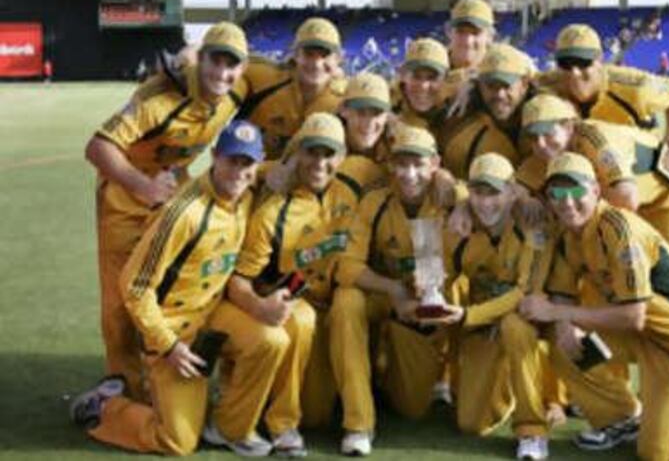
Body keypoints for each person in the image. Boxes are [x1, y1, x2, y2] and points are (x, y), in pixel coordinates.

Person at [519, 152, 669, 460]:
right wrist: (564, 326)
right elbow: (564, 292)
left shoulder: (619, 229)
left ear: (595, 190)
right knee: (561, 342)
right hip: (643, 335)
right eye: (557, 194)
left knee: (658, 452)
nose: (567, 202)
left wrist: (558, 313)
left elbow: (634, 316)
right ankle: (624, 418)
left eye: (576, 191)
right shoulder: (569, 235)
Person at [70, 121, 279, 457]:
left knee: (270, 340)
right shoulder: (183, 213)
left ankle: (229, 428)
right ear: (214, 157)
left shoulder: (247, 196)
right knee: (178, 442)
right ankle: (106, 407)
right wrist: (168, 346)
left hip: (213, 317)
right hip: (175, 334)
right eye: (232, 161)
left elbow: (285, 170)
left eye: (248, 163)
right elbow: (135, 287)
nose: (239, 172)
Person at [84, 22, 249, 399]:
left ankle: (165, 363)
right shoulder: (159, 97)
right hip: (124, 201)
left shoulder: (236, 90)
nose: (222, 73)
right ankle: (121, 382)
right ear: (202, 59)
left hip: (171, 196)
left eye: (232, 65)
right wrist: (144, 187)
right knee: (120, 296)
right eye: (214, 61)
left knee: (173, 283)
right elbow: (97, 148)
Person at [226, 112, 354, 457]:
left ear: (342, 157)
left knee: (324, 411)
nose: (319, 163)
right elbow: (239, 280)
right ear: (296, 153)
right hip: (292, 310)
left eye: (328, 154)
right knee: (301, 320)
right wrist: (259, 307)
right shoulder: (273, 211)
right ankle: (283, 421)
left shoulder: (353, 193)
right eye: (311, 152)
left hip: (339, 308)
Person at [331, 124, 453, 456]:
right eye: (401, 163)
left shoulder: (455, 198)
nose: (409, 174)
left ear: (436, 163)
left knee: (411, 407)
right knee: (346, 300)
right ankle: (358, 422)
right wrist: (394, 289)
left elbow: (502, 197)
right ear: (390, 164)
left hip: (427, 306)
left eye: (419, 164)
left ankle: (401, 373)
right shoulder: (375, 201)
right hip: (385, 295)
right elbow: (346, 267)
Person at [429, 152, 555, 460]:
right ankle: (505, 383)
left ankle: (532, 430)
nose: (485, 203)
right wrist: (430, 295)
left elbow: (525, 292)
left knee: (516, 324)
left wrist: (469, 316)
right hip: (483, 326)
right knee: (471, 423)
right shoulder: (460, 226)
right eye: (478, 193)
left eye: (494, 193)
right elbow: (439, 275)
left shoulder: (533, 226)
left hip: (528, 321)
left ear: (512, 191)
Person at [517, 94, 669, 259]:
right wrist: (526, 199)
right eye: (533, 137)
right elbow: (518, 186)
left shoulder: (595, 139)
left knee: (666, 264)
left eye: (548, 134)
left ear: (568, 126)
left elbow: (626, 199)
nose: (540, 144)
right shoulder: (550, 151)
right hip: (629, 197)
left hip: (665, 194)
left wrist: (558, 206)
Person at [237, 17, 348, 158]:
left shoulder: (347, 98)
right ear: (295, 54)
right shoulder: (264, 79)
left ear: (338, 59)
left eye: (325, 55)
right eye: (309, 54)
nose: (316, 63)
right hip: (246, 171)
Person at [440, 43, 534, 178]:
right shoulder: (462, 114)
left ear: (524, 84)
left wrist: (527, 186)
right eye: (491, 86)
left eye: (506, 86)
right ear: (480, 86)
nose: (499, 95)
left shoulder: (549, 115)